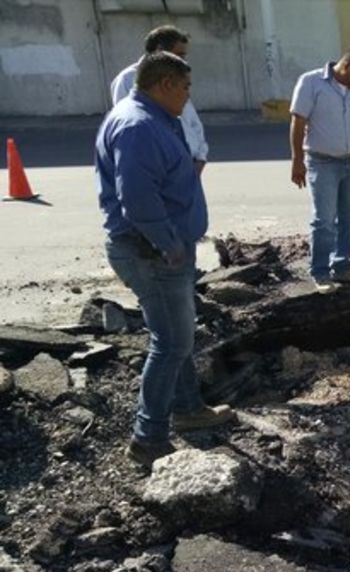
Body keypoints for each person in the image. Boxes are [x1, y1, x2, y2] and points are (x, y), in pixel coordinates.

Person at [96, 52, 234, 468]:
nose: (189, 96)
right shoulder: (138, 126)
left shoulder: (152, 117)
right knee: (171, 343)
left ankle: (188, 407)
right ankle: (148, 437)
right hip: (152, 252)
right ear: (164, 84)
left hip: (162, 248)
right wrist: (168, 243)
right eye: (186, 87)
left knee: (178, 336)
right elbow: (136, 198)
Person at [290, 46, 350, 292]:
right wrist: (297, 160)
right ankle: (320, 272)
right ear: (347, 67)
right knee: (324, 220)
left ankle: (342, 267)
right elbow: (298, 121)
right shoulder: (311, 83)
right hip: (322, 162)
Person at [110, 25, 208, 175]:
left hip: (188, 166)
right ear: (159, 50)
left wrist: (200, 158)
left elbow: (192, 123)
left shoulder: (178, 78)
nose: (184, 61)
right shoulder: (127, 80)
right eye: (179, 55)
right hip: (160, 169)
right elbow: (129, 131)